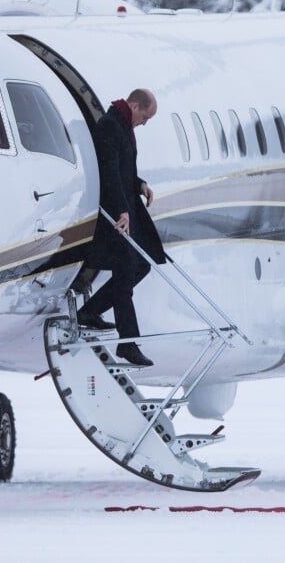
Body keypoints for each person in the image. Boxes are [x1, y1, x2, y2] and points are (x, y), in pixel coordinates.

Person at [77, 89, 165, 367]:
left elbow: (124, 168)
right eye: (145, 116)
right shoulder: (110, 126)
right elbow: (109, 171)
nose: (144, 122)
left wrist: (140, 184)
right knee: (126, 272)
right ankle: (128, 344)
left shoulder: (122, 125)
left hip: (126, 209)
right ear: (135, 105)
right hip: (114, 217)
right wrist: (122, 211)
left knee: (142, 265)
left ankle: (90, 311)